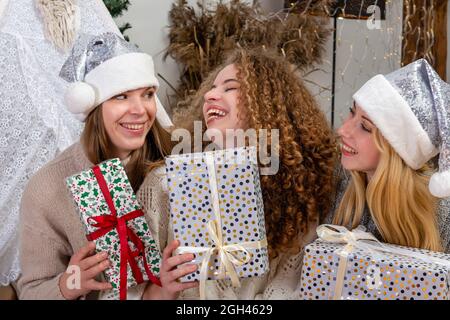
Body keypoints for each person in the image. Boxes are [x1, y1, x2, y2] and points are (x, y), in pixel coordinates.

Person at [138, 48, 337, 299]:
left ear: (266, 102)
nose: (210, 94)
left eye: (229, 88)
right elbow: (128, 291)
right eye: (212, 87)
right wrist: (162, 288)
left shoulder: (296, 196)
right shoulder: (165, 182)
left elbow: (289, 288)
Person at [17, 32, 174, 300]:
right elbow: (30, 290)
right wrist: (67, 285)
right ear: (91, 106)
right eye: (121, 96)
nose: (140, 110)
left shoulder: (176, 155)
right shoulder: (46, 189)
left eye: (147, 94)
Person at [0, 0, 123, 297]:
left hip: (78, 134)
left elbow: (113, 60)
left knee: (92, 244)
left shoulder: (87, 10)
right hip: (21, 141)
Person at [327, 58, 450, 253]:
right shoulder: (335, 184)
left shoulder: (442, 215)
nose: (343, 130)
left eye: (365, 127)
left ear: (396, 150)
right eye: (352, 113)